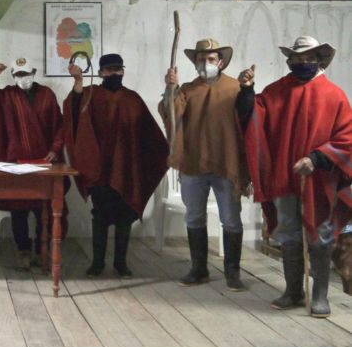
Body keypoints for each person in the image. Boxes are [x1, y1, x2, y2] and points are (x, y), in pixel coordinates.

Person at [237, 36, 352, 317]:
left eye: (308, 58)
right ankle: (293, 291)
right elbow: (252, 117)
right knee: (289, 234)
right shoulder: (277, 91)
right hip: (285, 178)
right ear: (289, 62)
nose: (301, 63)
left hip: (320, 182)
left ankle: (320, 296)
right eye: (296, 59)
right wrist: (247, 92)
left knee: (320, 236)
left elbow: (347, 138)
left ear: (320, 60)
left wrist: (316, 159)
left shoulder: (334, 95)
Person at [65, 54, 168, 277]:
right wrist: (78, 83)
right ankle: (98, 263)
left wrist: (166, 151)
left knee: (125, 216)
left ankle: (121, 262)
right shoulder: (90, 95)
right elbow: (73, 114)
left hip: (126, 169)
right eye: (108, 70)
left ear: (123, 71)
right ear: (101, 73)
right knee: (100, 215)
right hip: (99, 169)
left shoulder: (133, 99)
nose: (113, 74)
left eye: (117, 70)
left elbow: (149, 133)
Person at [160, 38, 249, 290]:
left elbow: (249, 115)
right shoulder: (187, 89)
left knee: (231, 219)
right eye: (201, 59)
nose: (205, 63)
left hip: (225, 164)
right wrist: (170, 89)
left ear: (220, 62)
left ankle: (233, 272)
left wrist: (249, 89)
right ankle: (199, 269)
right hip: (193, 163)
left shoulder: (235, 88)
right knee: (194, 217)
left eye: (210, 59)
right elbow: (171, 113)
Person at [0, 58, 65, 269]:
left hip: (43, 164)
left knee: (45, 207)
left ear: (34, 73)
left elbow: (60, 126)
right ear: (14, 76)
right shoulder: (7, 96)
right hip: (17, 164)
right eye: (19, 75)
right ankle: (23, 249)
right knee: (19, 208)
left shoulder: (47, 95)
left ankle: (41, 250)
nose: (23, 79)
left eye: (26, 74)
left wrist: (55, 149)